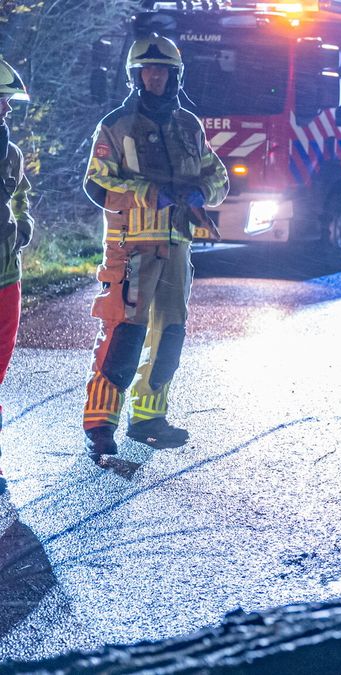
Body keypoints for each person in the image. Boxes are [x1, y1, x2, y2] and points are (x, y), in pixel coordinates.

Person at [81, 35, 229, 461]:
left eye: (162, 70)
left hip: (177, 245)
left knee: (171, 334)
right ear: (135, 76)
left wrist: (203, 191)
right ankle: (100, 424)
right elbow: (97, 182)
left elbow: (218, 176)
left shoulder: (189, 126)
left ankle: (148, 418)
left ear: (174, 75)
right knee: (124, 334)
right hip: (131, 246)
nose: (155, 76)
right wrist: (147, 192)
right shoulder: (115, 125)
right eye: (147, 70)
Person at [0, 57, 34, 493]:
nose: (6, 110)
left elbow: (21, 194)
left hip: (7, 276)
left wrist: (24, 225)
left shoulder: (10, 152)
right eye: (1, 101)